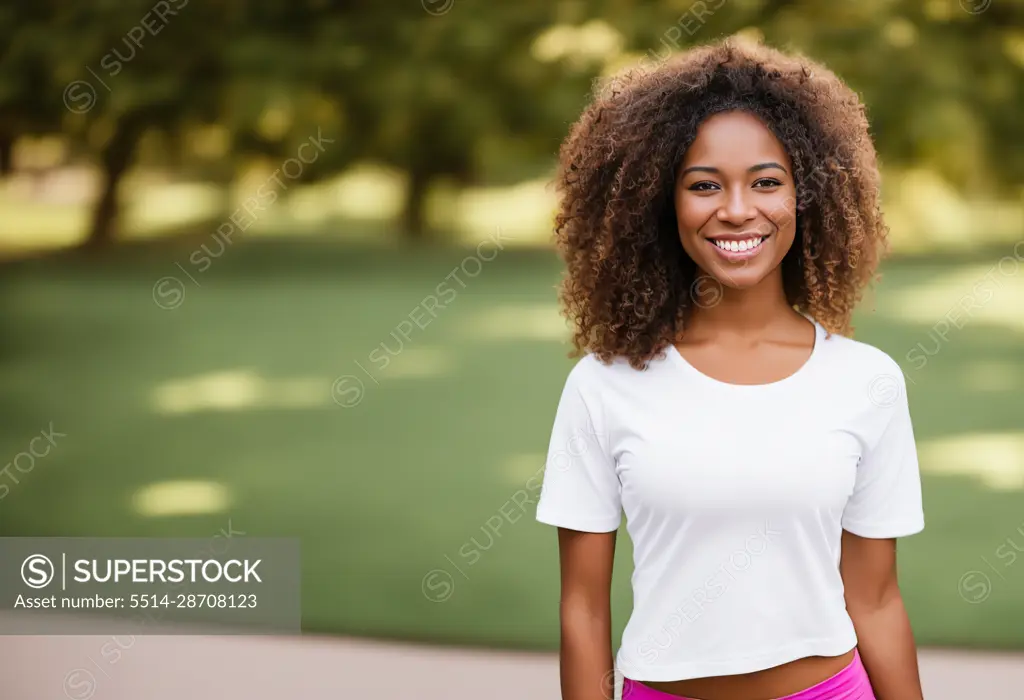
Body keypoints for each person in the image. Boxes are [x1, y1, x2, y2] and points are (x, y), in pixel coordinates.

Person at [534, 37, 926, 700]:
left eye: (767, 182)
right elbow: (583, 613)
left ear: (806, 198)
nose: (738, 209)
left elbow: (878, 600)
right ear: (662, 202)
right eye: (705, 185)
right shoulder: (604, 386)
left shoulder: (868, 382)